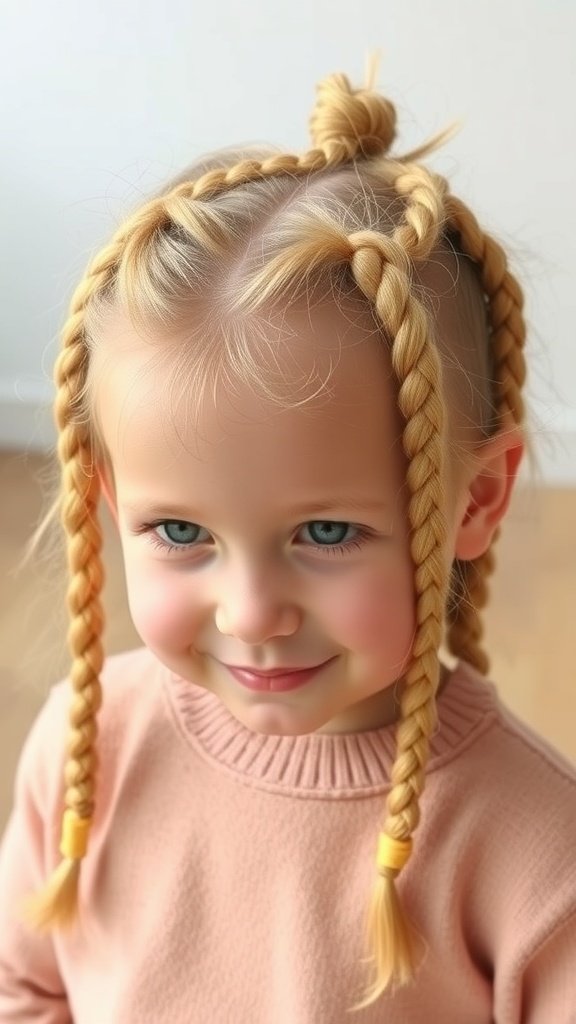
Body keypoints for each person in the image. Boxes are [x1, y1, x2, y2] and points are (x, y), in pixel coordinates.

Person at [0, 62, 575, 1024]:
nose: (252, 612)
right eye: (180, 531)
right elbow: (27, 987)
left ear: (475, 499)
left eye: (326, 532)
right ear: (109, 498)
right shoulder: (85, 744)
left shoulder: (535, 851)